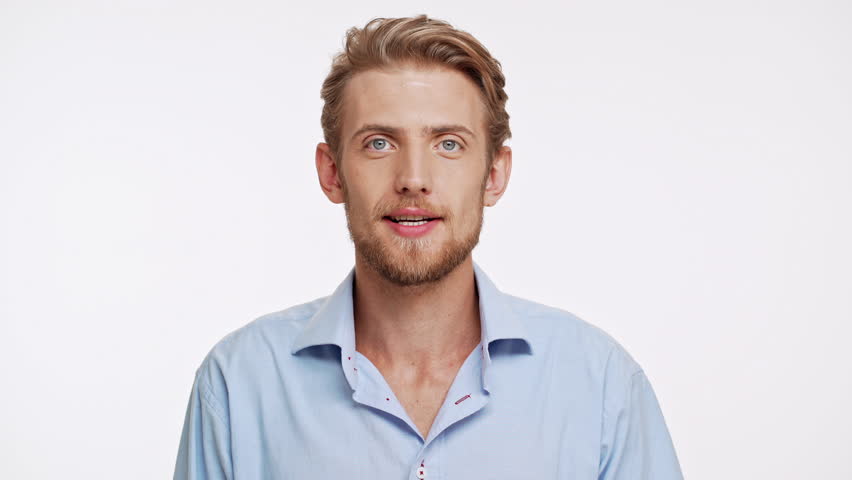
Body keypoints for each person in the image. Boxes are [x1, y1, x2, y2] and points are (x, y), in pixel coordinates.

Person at [173, 15, 683, 480]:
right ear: (332, 173)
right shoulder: (238, 385)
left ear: (495, 174)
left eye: (448, 144)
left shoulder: (599, 386)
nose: (414, 179)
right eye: (379, 142)